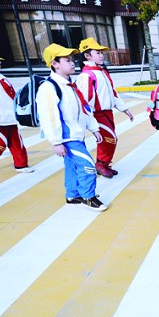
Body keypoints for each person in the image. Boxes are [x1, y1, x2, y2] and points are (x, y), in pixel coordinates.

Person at [36, 43, 107, 212]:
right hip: (67, 138)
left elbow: (84, 108)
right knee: (88, 165)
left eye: (72, 59)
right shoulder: (49, 88)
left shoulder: (70, 85)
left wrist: (94, 127)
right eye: (67, 60)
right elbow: (49, 117)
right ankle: (88, 197)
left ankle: (72, 194)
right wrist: (56, 142)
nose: (73, 63)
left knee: (72, 165)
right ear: (54, 63)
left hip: (75, 135)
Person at [76, 37, 134, 178]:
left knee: (108, 139)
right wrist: (90, 122)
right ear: (87, 55)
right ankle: (101, 164)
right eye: (98, 52)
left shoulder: (101, 71)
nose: (102, 55)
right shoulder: (86, 75)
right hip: (97, 115)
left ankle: (104, 163)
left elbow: (113, 93)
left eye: (102, 52)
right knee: (110, 139)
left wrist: (125, 110)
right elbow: (85, 101)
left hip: (107, 112)